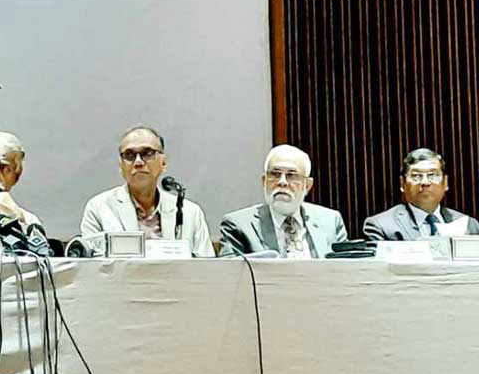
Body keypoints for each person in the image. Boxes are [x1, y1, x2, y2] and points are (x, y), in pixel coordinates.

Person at [80, 125, 215, 257]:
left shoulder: (190, 213)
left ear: (163, 163)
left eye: (147, 153)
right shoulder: (98, 208)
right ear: (121, 166)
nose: (138, 162)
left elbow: (208, 267)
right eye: (129, 155)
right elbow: (91, 267)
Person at [218, 144, 347, 258]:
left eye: (291, 175)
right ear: (264, 181)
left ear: (307, 185)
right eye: (275, 174)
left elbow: (346, 271)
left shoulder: (330, 221)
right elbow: (229, 274)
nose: (282, 182)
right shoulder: (238, 225)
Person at [363, 148, 479, 240]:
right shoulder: (381, 226)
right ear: (402, 183)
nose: (425, 182)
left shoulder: (469, 225)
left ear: (445, 183)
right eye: (416, 176)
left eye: (432, 175)